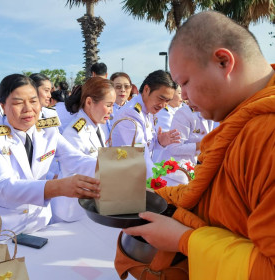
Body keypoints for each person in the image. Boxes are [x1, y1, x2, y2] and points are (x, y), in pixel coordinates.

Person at [123, 11, 275, 279]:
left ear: (223, 62)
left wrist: (184, 240)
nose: (184, 97)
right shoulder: (243, 120)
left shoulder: (267, 133)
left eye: (185, 83)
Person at [0, 74, 100, 240]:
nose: (28, 108)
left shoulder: (48, 129)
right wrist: (58, 187)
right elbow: (5, 186)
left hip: (36, 223)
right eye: (17, 103)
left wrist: (110, 165)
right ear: (2, 106)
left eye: (33, 101)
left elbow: (74, 158)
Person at [111, 70, 180, 158]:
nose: (163, 105)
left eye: (167, 101)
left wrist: (159, 141)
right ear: (146, 90)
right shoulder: (131, 113)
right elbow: (140, 154)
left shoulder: (148, 110)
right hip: (125, 170)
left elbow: (146, 147)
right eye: (160, 98)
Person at [63, 77, 115, 156]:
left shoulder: (99, 125)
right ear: (89, 102)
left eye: (113, 105)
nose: (111, 111)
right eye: (108, 105)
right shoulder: (74, 134)